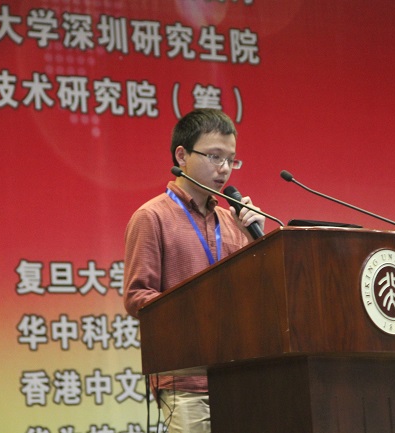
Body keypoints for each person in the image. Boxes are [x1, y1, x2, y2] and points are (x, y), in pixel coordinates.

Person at [122, 108, 265, 433]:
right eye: (214, 157)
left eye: (231, 160)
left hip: (241, 375)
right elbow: (137, 297)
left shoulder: (234, 220)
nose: (224, 168)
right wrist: (200, 311)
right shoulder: (152, 217)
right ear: (182, 155)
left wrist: (255, 239)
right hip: (185, 379)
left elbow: (255, 292)